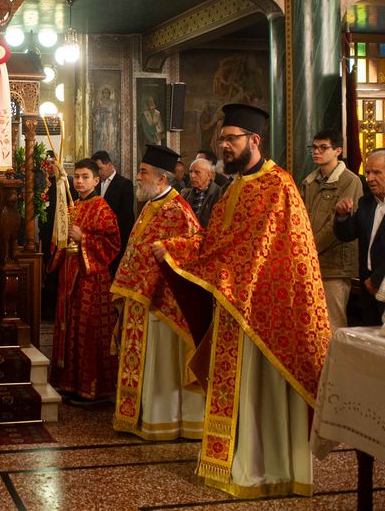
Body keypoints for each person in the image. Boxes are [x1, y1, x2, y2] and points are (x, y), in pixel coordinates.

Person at [152, 104, 330, 498]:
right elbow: (214, 243)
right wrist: (176, 249)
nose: (224, 146)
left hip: (268, 313)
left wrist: (224, 273)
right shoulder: (235, 188)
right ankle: (236, 462)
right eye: (221, 140)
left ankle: (266, 468)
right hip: (234, 307)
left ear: (254, 140)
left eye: (231, 139)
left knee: (261, 391)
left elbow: (270, 254)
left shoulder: (279, 186)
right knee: (239, 390)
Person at [111, 144, 204, 440]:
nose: (138, 177)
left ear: (162, 178)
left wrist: (170, 248)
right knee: (149, 362)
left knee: (162, 365)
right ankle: (143, 416)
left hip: (165, 304)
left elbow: (197, 245)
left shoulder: (178, 209)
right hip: (141, 298)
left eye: (143, 172)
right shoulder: (151, 206)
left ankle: (166, 421)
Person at [49, 159, 120, 404]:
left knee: (88, 331)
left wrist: (84, 238)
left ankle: (91, 387)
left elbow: (113, 244)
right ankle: (68, 382)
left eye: (85, 177)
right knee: (69, 327)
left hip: (91, 281)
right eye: (76, 177)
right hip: (69, 276)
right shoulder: (74, 206)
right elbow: (60, 239)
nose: (79, 181)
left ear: (96, 180)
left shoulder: (102, 208)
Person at [300, 129, 362, 332]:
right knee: (311, 324)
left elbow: (337, 226)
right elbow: (301, 219)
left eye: (323, 148)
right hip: (311, 262)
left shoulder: (349, 180)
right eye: (313, 147)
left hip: (335, 265)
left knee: (333, 324)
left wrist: (309, 250)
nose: (316, 152)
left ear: (337, 151)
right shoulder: (309, 181)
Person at [334, 148, 385, 326]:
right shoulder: (366, 202)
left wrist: (377, 279)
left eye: (377, 172)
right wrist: (342, 217)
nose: (369, 178)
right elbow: (347, 235)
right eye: (368, 172)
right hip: (367, 287)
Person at [91, 150, 135, 271]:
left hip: (117, 236)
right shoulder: (95, 183)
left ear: (110, 164)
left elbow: (126, 215)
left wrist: (107, 229)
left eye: (100, 168)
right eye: (96, 170)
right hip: (98, 238)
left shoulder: (125, 184)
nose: (98, 172)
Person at [180, 158, 221, 228]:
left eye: (197, 172)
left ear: (209, 175)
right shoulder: (185, 195)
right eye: (190, 172)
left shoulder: (220, 194)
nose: (192, 175)